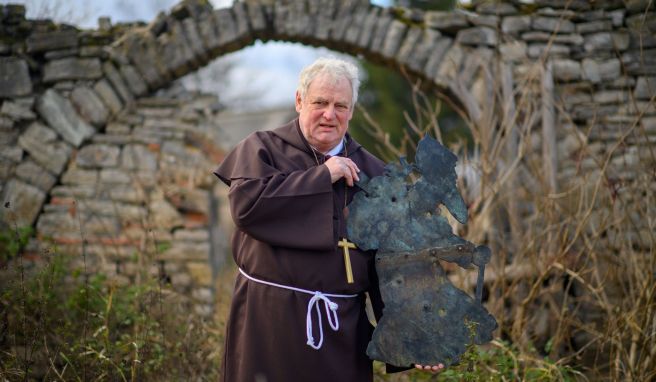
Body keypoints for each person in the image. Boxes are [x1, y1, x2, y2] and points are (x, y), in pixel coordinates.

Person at [214, 57, 443, 382]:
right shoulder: (262, 149)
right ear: (299, 101)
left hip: (341, 334)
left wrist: (414, 337)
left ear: (351, 111)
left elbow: (394, 263)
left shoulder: (377, 175)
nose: (329, 114)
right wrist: (322, 176)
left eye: (340, 105)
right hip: (265, 328)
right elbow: (248, 209)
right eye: (320, 102)